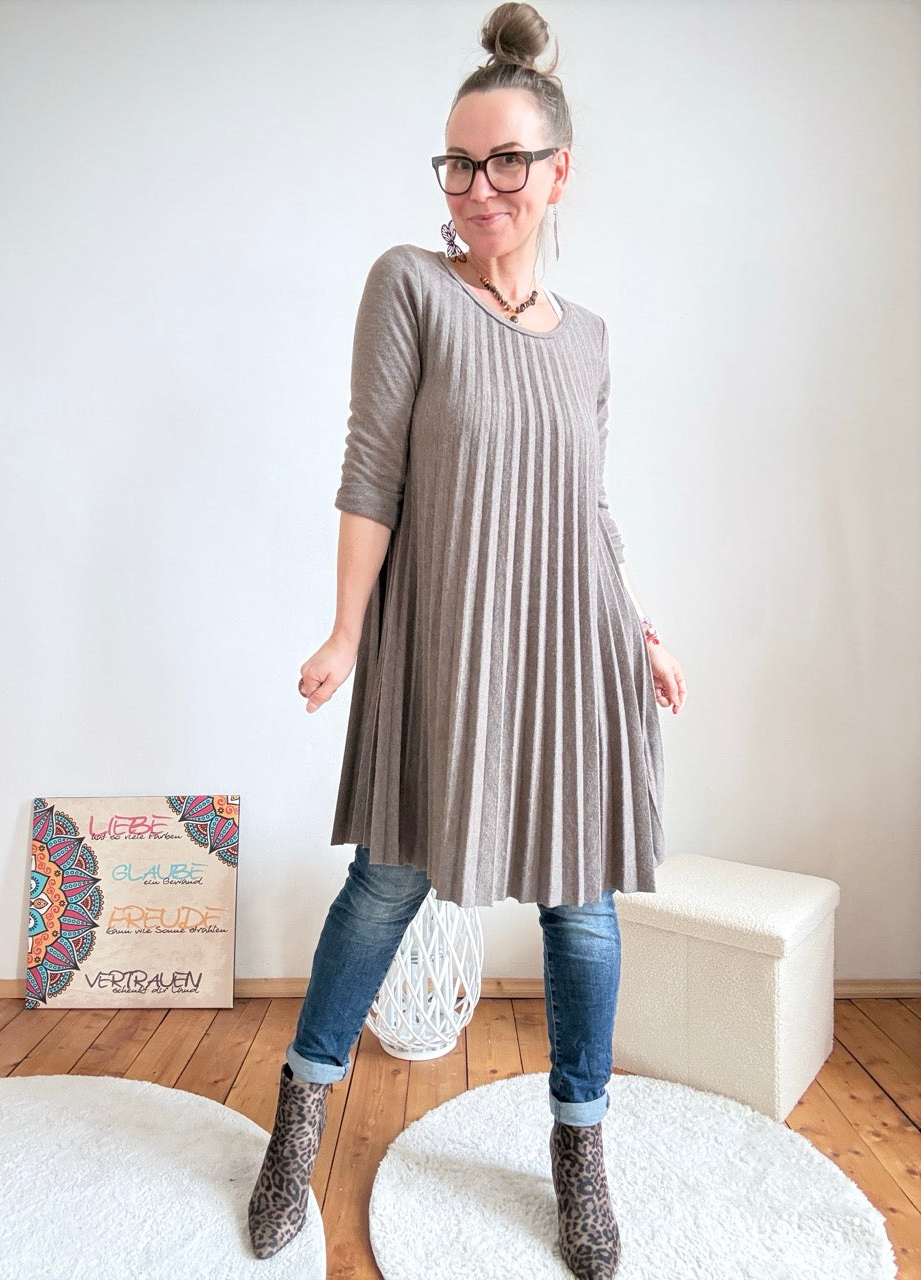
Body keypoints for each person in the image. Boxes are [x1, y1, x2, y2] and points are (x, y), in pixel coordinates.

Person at [247, 4, 687, 1277]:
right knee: (388, 882)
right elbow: (371, 468)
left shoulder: (589, 341)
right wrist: (346, 629)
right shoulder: (410, 285)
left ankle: (580, 1148)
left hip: (570, 648)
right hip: (445, 638)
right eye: (457, 162)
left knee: (582, 907)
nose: (477, 187)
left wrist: (640, 626)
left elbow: (586, 506)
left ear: (559, 172)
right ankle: (299, 1116)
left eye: (504, 161)